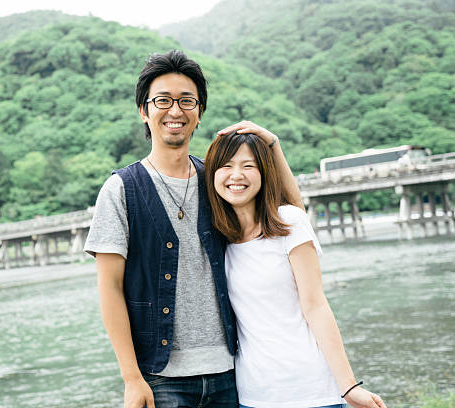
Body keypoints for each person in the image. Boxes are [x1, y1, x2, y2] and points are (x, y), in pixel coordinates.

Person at [84, 49, 301, 408]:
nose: (175, 111)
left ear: (199, 113)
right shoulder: (122, 189)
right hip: (161, 379)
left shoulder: (218, 181)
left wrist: (273, 145)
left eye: (187, 101)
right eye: (163, 101)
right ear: (144, 110)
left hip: (232, 371)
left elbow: (292, 219)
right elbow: (109, 287)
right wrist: (131, 377)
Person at [204, 131, 388, 408]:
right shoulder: (219, 239)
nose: (236, 175)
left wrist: (348, 385)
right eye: (226, 166)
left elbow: (316, 306)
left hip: (310, 390)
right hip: (253, 395)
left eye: (248, 166)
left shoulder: (289, 222)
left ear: (265, 173)